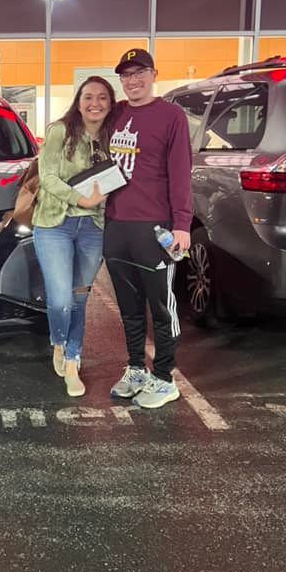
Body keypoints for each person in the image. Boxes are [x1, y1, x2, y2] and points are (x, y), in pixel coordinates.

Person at [104, 48, 192, 410]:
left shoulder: (171, 116)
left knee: (161, 306)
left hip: (155, 228)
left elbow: (180, 173)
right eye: (126, 75)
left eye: (140, 72)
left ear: (154, 74)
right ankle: (137, 369)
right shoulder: (115, 114)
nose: (133, 81)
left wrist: (182, 224)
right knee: (129, 306)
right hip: (116, 225)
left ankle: (165, 378)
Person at [32, 76, 116, 398]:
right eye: (88, 97)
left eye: (102, 97)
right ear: (78, 102)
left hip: (93, 228)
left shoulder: (113, 138)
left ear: (111, 103)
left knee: (80, 298)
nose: (95, 103)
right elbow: (47, 177)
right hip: (55, 224)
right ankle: (58, 340)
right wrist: (81, 199)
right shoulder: (60, 131)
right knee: (60, 299)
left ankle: (72, 360)